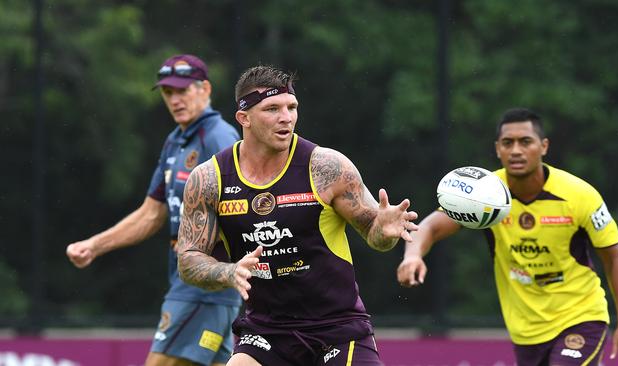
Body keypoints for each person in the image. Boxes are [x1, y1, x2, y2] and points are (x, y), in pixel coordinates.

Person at [175, 65, 419, 366]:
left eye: (292, 107)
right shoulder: (210, 179)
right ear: (244, 118)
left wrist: (383, 229)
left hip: (338, 330)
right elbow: (188, 260)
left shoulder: (327, 168)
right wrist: (228, 272)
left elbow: (376, 237)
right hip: (266, 333)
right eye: (272, 109)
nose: (286, 118)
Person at [397, 107, 618, 365]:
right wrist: (412, 256)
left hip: (580, 316)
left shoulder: (580, 195)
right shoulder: (482, 193)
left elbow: (615, 259)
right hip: (525, 331)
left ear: (544, 146)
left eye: (525, 142)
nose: (516, 150)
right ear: (497, 149)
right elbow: (431, 226)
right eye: (507, 143)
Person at [66, 54, 242, 366]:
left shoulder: (219, 138)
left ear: (205, 89)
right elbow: (151, 214)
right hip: (190, 282)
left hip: (203, 287)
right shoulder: (175, 142)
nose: (175, 99)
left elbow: (244, 207)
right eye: (168, 92)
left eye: (183, 90)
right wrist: (94, 246)